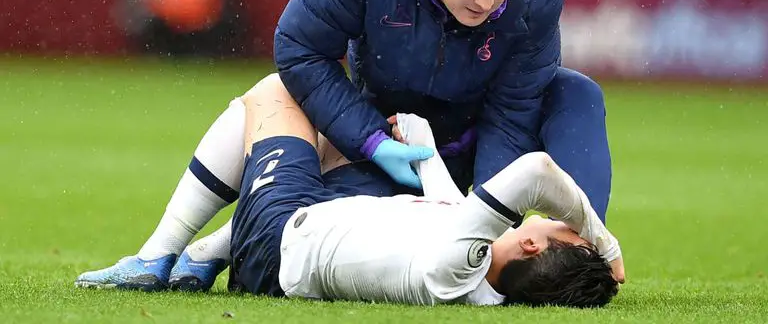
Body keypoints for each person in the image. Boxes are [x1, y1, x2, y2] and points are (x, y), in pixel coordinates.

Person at [75, 75, 625, 306]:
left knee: (280, 91)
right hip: (295, 252)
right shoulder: (478, 275)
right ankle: (203, 257)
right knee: (346, 146)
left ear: (531, 244)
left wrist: (604, 241)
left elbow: (536, 170)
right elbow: (446, 204)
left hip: (281, 235)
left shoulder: (457, 263)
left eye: (567, 233)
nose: (567, 224)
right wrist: (421, 140)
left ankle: (157, 255)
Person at [273, 0, 614, 223]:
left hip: (475, 136)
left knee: (576, 93)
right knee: (347, 235)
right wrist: (371, 140)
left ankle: (581, 247)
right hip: (389, 137)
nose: (486, 3)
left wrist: (490, 216)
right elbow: (300, 47)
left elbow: (514, 111)